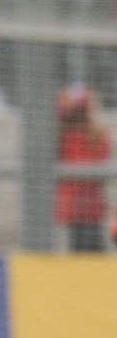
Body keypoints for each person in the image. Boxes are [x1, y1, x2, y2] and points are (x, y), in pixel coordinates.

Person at [55, 84, 110, 252]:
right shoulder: (63, 136)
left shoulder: (94, 135)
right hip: (74, 210)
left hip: (91, 209)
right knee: (78, 252)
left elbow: (102, 155)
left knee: (93, 252)